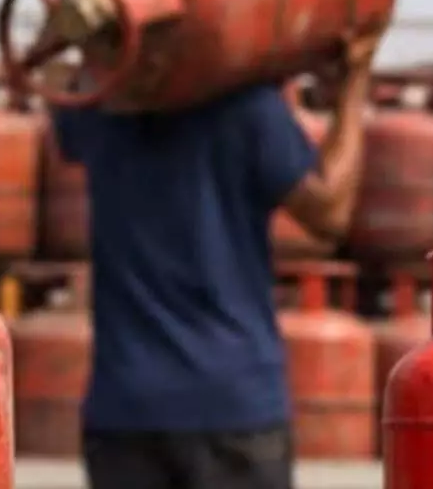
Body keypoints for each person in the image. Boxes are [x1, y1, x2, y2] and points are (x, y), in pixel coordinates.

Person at [49, 30, 380, 489]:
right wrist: (353, 87)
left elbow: (50, 80)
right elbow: (330, 213)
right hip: (233, 404)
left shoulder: (101, 110)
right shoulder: (248, 110)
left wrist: (68, 34)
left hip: (126, 407)